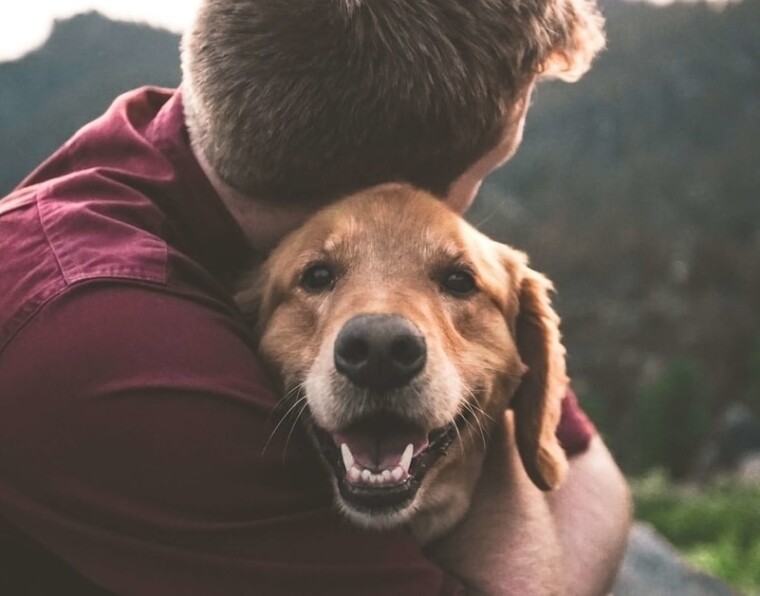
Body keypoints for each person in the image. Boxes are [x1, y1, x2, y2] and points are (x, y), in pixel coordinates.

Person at [0, 0, 631, 594]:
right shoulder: (110, 341)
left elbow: (588, 470)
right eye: (492, 163)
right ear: (393, 184)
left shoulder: (205, 147)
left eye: (455, 277)